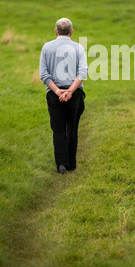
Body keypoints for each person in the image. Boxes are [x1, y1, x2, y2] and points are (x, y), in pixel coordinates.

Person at [39, 18, 88, 174]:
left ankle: (61, 164)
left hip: (55, 95)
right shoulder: (78, 48)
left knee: (58, 129)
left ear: (55, 31)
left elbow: (44, 74)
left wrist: (58, 91)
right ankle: (71, 164)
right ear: (72, 32)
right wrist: (70, 92)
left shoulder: (47, 48)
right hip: (75, 94)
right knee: (72, 128)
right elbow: (82, 74)